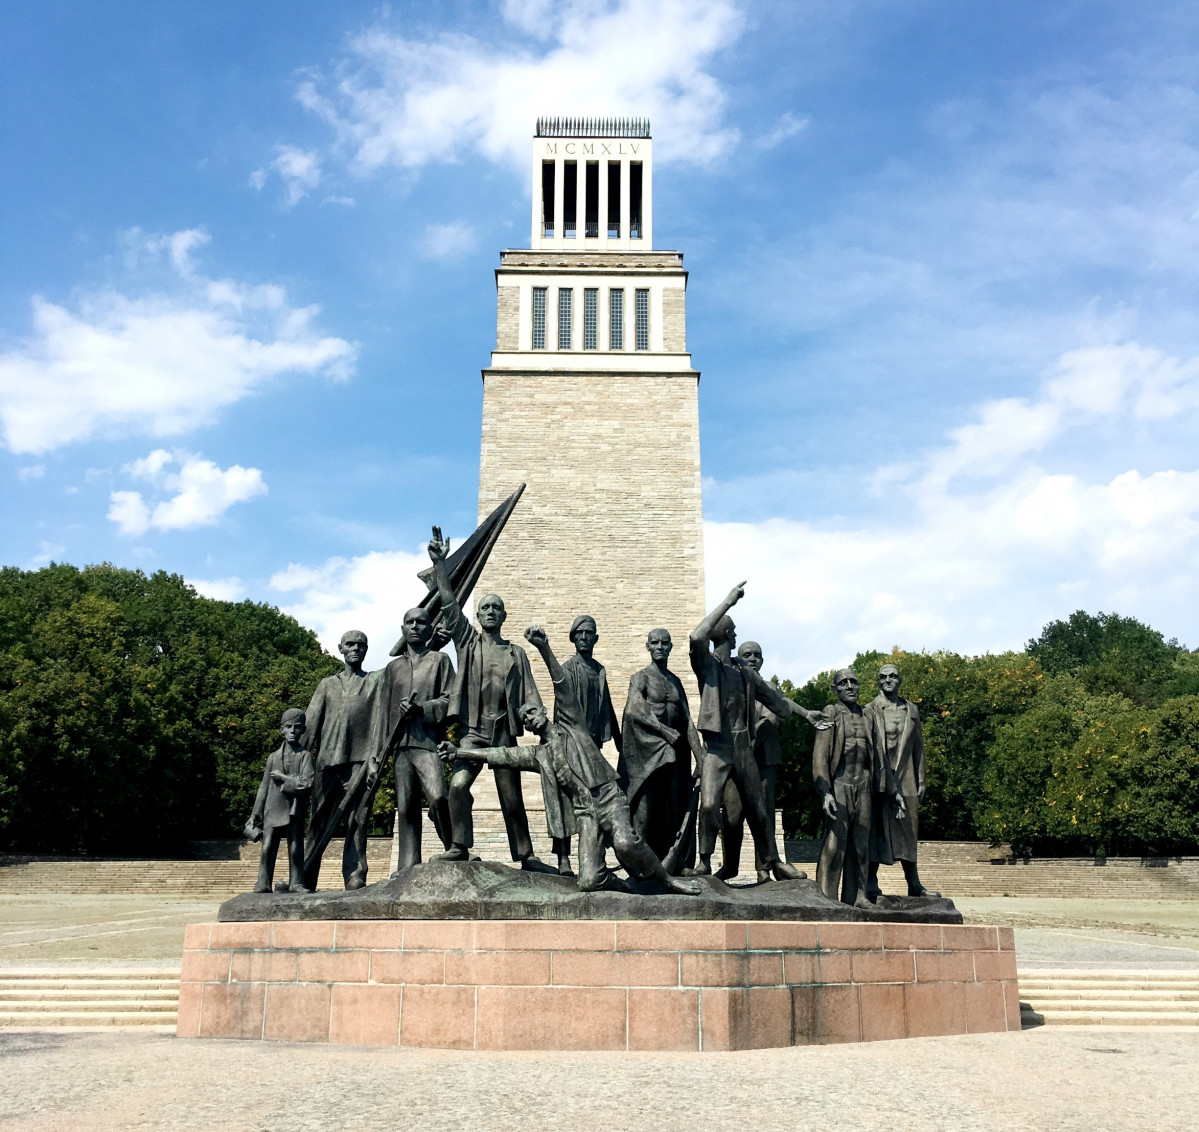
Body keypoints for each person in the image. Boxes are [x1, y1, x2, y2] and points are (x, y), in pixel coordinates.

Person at [440, 626, 702, 896]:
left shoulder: (572, 724)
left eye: (533, 712)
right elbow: (498, 755)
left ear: (543, 711)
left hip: (609, 800)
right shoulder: (539, 754)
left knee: (624, 843)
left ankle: (669, 882)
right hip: (586, 814)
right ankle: (624, 887)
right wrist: (458, 753)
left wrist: (544, 648)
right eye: (526, 719)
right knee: (588, 880)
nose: (531, 718)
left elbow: (561, 683)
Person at [690, 581, 828, 880]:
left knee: (760, 809)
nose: (737, 634)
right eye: (733, 630)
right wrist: (728, 601)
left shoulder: (745, 671)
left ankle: (772, 861)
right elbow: (696, 635)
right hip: (717, 745)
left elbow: (777, 700)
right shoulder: (708, 666)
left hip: (742, 746)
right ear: (724, 634)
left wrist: (806, 714)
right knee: (710, 804)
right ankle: (704, 861)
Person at [431, 567, 551, 872]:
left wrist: (537, 715)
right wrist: (441, 566)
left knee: (512, 799)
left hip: (503, 731)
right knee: (458, 786)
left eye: (496, 607)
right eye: (485, 607)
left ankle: (526, 855)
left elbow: (529, 692)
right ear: (478, 615)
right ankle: (459, 846)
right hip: (473, 729)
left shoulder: (516, 653)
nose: (490, 612)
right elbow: (450, 606)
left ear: (504, 616)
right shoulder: (468, 642)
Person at [376, 528, 459, 874]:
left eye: (421, 622)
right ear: (403, 629)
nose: (415, 627)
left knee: (439, 796)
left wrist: (423, 710)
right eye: (409, 623)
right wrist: (377, 753)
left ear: (429, 629)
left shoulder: (440, 661)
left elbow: (452, 702)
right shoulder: (392, 669)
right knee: (406, 805)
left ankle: (455, 847)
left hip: (427, 742)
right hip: (400, 746)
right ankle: (408, 865)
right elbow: (381, 713)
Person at [813, 669, 903, 908]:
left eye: (854, 681)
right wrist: (825, 792)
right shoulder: (831, 712)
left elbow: (881, 756)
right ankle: (826, 897)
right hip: (839, 785)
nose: (850, 686)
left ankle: (858, 896)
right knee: (834, 844)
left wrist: (893, 791)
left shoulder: (868, 715)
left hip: (863, 786)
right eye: (843, 683)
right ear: (835, 689)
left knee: (861, 846)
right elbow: (820, 756)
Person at [301, 630, 384, 890]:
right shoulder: (327, 684)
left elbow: (403, 659)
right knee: (318, 820)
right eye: (350, 644)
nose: (356, 649)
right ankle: (303, 876)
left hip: (359, 763)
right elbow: (310, 725)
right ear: (340, 648)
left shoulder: (374, 682)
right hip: (327, 762)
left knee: (357, 820)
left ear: (367, 650)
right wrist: (298, 763)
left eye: (361, 645)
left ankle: (355, 874)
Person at [618, 628, 703, 867]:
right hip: (648, 751)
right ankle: (641, 865)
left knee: (674, 806)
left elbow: (687, 721)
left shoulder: (675, 682)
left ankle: (676, 864)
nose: (659, 647)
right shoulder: (641, 677)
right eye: (654, 642)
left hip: (675, 753)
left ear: (670, 647)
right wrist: (664, 731)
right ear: (648, 647)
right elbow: (634, 709)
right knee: (645, 807)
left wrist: (701, 756)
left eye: (664, 643)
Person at [546, 614, 623, 876]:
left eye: (588, 633)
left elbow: (608, 707)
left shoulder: (599, 670)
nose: (583, 637)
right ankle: (564, 859)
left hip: (593, 746)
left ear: (596, 638)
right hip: (570, 744)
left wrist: (620, 741)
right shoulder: (568, 668)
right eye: (578, 633)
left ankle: (595, 858)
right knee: (567, 801)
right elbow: (561, 707)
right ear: (573, 638)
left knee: (597, 801)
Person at [864, 663, 939, 900]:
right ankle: (870, 881)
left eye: (893, 676)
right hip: (879, 777)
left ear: (900, 680)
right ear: (878, 681)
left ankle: (914, 883)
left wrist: (921, 778)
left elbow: (918, 746)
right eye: (883, 677)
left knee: (908, 829)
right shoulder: (870, 710)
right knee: (876, 828)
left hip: (906, 776)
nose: (888, 680)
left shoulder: (911, 710)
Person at [718, 640, 784, 884]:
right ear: (739, 658)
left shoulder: (770, 687)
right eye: (747, 655)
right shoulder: (732, 687)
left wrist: (745, 746)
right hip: (736, 764)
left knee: (763, 814)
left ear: (763, 660)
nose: (753, 658)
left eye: (757, 655)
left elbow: (771, 720)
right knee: (732, 817)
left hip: (763, 762)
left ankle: (764, 868)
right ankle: (729, 867)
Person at [247, 708, 315, 894]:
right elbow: (264, 786)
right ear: (282, 729)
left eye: (297, 727)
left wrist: (284, 779)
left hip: (294, 808)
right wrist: (255, 813)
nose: (293, 731)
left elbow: (307, 783)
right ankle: (263, 882)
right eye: (289, 727)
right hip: (273, 806)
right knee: (267, 847)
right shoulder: (273, 757)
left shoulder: (305, 756)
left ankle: (296, 883)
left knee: (295, 848)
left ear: (303, 730)